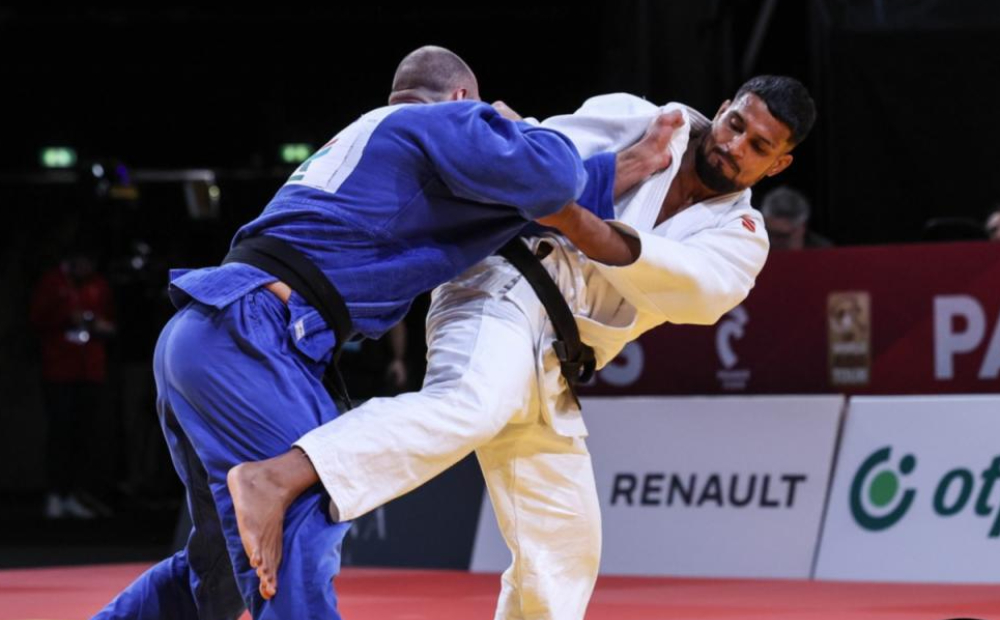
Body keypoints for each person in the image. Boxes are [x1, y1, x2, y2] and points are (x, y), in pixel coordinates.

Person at [92, 46, 673, 620]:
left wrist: (628, 165)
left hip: (203, 333)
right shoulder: (444, 120)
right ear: (460, 97)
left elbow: (541, 206)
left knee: (218, 573)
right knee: (300, 518)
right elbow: (553, 174)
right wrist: (510, 124)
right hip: (251, 337)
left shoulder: (375, 140)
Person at [228, 75, 817, 619]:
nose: (734, 145)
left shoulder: (741, 239)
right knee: (474, 403)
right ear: (724, 108)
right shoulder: (641, 119)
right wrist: (568, 173)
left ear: (778, 164)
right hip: (503, 283)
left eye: (758, 146)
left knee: (564, 548)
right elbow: (537, 163)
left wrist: (578, 219)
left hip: (554, 362)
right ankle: (279, 476)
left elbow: (692, 291)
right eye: (735, 124)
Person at [30, 245, 116, 519]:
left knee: (85, 435)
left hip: (90, 370)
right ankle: (55, 494)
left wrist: (100, 325)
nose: (87, 269)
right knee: (60, 433)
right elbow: (35, 318)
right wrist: (66, 317)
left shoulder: (98, 284)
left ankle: (73, 495)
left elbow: (111, 322)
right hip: (59, 371)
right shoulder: (52, 282)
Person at [759, 184, 832, 249]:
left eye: (782, 236)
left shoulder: (824, 252)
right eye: (769, 233)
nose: (772, 242)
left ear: (802, 228)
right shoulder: (757, 247)